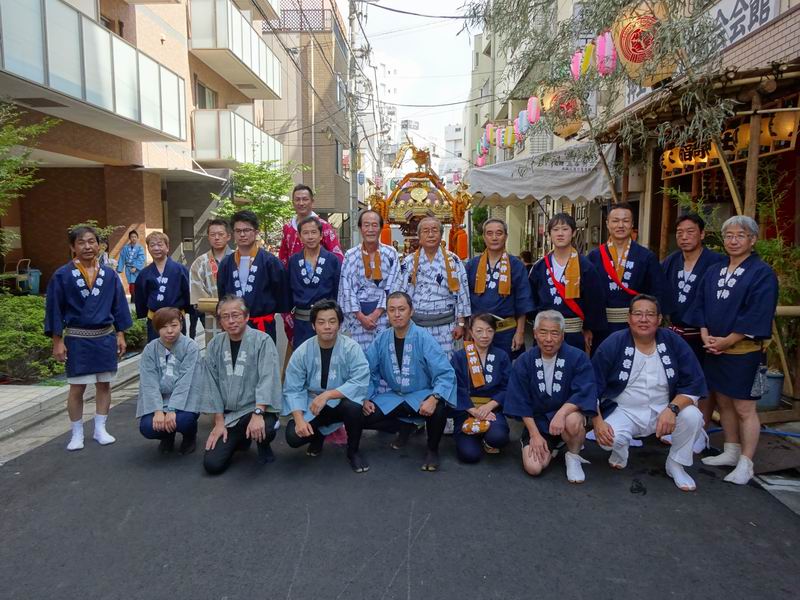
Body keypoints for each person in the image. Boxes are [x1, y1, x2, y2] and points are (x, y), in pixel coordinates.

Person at [685, 216, 779, 485]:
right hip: (714, 348)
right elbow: (700, 304)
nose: (733, 241)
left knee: (744, 407)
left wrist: (727, 341)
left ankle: (747, 462)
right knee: (723, 401)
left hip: (744, 351)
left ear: (753, 240)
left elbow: (757, 312)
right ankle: (731, 449)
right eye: (729, 235)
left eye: (740, 235)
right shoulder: (715, 270)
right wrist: (705, 334)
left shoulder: (761, 273)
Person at [592, 294, 707, 491]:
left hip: (664, 409)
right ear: (629, 318)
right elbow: (592, 385)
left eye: (650, 314)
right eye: (638, 314)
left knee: (693, 416)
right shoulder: (614, 342)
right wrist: (597, 422)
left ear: (659, 319)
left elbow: (693, 382)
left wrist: (672, 408)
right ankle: (620, 450)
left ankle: (676, 464)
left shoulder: (672, 341)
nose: (643, 319)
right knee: (609, 439)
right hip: (624, 410)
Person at [45, 226, 132, 451]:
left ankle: (100, 428)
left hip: (104, 336)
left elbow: (119, 306)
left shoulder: (109, 275)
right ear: (72, 247)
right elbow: (54, 309)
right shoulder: (62, 275)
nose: (87, 247)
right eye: (81, 242)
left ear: (99, 245)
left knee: (104, 384)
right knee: (77, 388)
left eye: (92, 241)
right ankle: (76, 433)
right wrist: (57, 340)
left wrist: (120, 334)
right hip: (77, 338)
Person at [363, 292, 457, 471]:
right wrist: (366, 397)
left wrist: (434, 397)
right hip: (394, 397)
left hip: (421, 395)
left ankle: (432, 449)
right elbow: (369, 370)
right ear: (387, 314)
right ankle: (405, 425)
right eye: (392, 310)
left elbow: (445, 373)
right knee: (360, 414)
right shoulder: (382, 339)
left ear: (411, 311)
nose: (397, 314)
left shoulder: (423, 337)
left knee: (439, 408)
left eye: (402, 309)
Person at [503, 310, 597, 483]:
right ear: (535, 334)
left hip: (566, 419)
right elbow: (519, 400)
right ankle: (555, 443)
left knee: (573, 421)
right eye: (543, 332)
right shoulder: (525, 360)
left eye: (554, 333)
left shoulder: (578, 357)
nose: (548, 339)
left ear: (562, 335)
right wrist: (534, 435)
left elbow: (584, 391)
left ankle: (573, 456)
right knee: (533, 467)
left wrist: (561, 413)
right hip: (538, 423)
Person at [283, 300, 371, 472]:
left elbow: (359, 380)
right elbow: (293, 388)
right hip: (312, 404)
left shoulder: (351, 348)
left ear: (339, 324)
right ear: (313, 326)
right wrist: (299, 420)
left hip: (339, 402)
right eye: (321, 322)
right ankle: (318, 436)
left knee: (354, 407)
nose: (327, 327)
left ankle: (353, 451)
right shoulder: (302, 351)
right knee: (293, 436)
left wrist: (328, 395)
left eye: (332, 321)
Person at [200, 295, 283, 475]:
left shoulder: (262, 341)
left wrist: (258, 413)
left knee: (266, 427)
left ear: (246, 317)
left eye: (236, 315)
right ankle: (240, 439)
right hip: (230, 415)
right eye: (225, 316)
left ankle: (263, 443)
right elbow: (211, 384)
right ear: (220, 321)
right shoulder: (215, 345)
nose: (231, 321)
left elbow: (268, 378)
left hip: (256, 408)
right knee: (212, 465)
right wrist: (219, 422)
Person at [588, 203, 670, 347]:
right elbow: (587, 294)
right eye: (615, 221)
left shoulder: (646, 256)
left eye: (625, 221)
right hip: (602, 328)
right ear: (607, 224)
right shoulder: (594, 257)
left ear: (632, 224)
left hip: (637, 326)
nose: (620, 225)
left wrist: (651, 321)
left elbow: (658, 292)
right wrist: (587, 327)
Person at [529, 213, 607, 353]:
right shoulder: (539, 267)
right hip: (545, 334)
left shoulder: (585, 266)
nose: (560, 234)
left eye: (565, 229)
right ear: (549, 234)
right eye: (555, 230)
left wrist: (588, 328)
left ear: (573, 232)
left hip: (574, 334)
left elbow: (594, 300)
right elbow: (532, 298)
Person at [395, 216, 471, 358]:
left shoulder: (453, 260)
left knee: (444, 364)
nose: (430, 234)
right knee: (418, 363)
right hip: (416, 325)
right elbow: (400, 294)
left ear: (441, 235)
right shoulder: (408, 261)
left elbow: (462, 293)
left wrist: (461, 324)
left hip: (446, 327)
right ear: (419, 237)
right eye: (426, 231)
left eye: (434, 230)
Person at [279, 184, 344, 346]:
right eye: (297, 199)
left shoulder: (324, 226)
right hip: (299, 300)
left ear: (312, 201)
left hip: (323, 298)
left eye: (305, 199)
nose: (301, 203)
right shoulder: (288, 228)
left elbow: (337, 258)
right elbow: (283, 258)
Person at [465, 218, 534, 359]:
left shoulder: (516, 265)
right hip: (478, 332)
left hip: (506, 332)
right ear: (484, 237)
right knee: (477, 370)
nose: (494, 238)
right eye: (489, 233)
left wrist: (520, 332)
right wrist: (467, 328)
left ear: (506, 236)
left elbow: (523, 301)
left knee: (505, 369)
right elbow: (464, 300)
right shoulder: (472, 265)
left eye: (499, 233)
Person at [136, 307, 201, 455]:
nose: (170, 331)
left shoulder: (190, 347)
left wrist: (172, 409)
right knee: (147, 427)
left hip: (185, 399)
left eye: (174, 325)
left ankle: (190, 435)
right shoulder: (150, 349)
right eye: (164, 327)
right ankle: (167, 436)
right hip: (160, 399)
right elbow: (149, 382)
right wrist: (158, 410)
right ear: (157, 328)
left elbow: (186, 381)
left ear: (181, 325)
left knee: (183, 421)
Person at [217, 210, 289, 343]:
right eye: (238, 231)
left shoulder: (270, 262)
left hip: (263, 325)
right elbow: (222, 295)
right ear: (233, 234)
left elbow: (282, 295)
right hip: (234, 326)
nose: (242, 234)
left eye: (247, 230)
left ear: (256, 232)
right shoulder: (226, 263)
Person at [450, 314, 511, 463]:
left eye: (489, 331)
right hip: (466, 410)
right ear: (471, 332)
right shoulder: (459, 357)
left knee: (498, 438)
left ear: (494, 332)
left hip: (492, 410)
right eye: (479, 331)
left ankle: (487, 438)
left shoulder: (501, 356)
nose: (485, 335)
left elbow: (508, 386)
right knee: (469, 455)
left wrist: (489, 406)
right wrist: (473, 410)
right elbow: (454, 386)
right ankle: (475, 436)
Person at [338, 209, 400, 351]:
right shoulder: (350, 255)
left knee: (384, 354)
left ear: (381, 228)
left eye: (374, 225)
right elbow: (346, 289)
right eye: (366, 225)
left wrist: (376, 313)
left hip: (383, 316)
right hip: (357, 317)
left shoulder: (391, 254)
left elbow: (394, 285)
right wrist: (361, 316)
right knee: (358, 356)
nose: (370, 229)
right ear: (360, 228)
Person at [288, 216, 342, 348]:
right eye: (305, 233)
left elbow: (338, 291)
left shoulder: (332, 260)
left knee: (327, 356)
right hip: (301, 322)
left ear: (321, 235)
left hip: (326, 322)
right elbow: (288, 290)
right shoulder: (294, 261)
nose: (310, 237)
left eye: (314, 232)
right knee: (303, 356)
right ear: (300, 237)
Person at [134, 232, 191, 342]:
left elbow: (187, 292)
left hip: (176, 320)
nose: (156, 248)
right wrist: (143, 313)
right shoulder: (144, 273)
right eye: (152, 245)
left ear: (167, 247)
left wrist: (189, 310)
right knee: (156, 349)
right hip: (155, 320)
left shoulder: (180, 269)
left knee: (179, 349)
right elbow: (141, 296)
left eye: (160, 245)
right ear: (148, 248)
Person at [189, 218, 233, 339]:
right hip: (212, 317)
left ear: (228, 236)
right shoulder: (200, 263)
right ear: (208, 237)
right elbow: (197, 295)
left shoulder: (238, 258)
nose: (216, 238)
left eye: (220, 234)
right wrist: (218, 309)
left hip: (237, 316)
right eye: (213, 235)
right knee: (215, 346)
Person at [117, 229, 146, 296]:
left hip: (137, 269)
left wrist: (135, 267)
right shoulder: (125, 248)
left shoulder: (140, 248)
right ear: (129, 238)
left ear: (137, 238)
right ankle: (133, 296)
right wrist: (119, 269)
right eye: (132, 237)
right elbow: (122, 258)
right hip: (128, 268)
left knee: (137, 283)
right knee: (131, 283)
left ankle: (136, 297)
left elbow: (141, 258)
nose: (133, 238)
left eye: (135, 237)